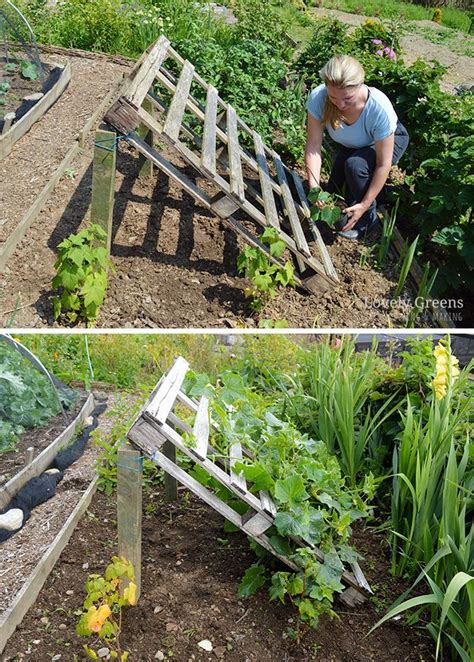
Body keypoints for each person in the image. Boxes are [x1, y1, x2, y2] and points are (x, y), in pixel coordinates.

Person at [305, 54, 409, 239]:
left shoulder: (378, 109)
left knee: (355, 166)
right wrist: (314, 187)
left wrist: (364, 204)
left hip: (388, 141)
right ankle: (383, 193)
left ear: (360, 85)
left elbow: (382, 164)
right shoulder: (319, 99)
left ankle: (370, 221)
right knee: (334, 190)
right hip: (356, 143)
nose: (341, 104)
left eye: (347, 98)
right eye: (334, 98)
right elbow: (313, 146)